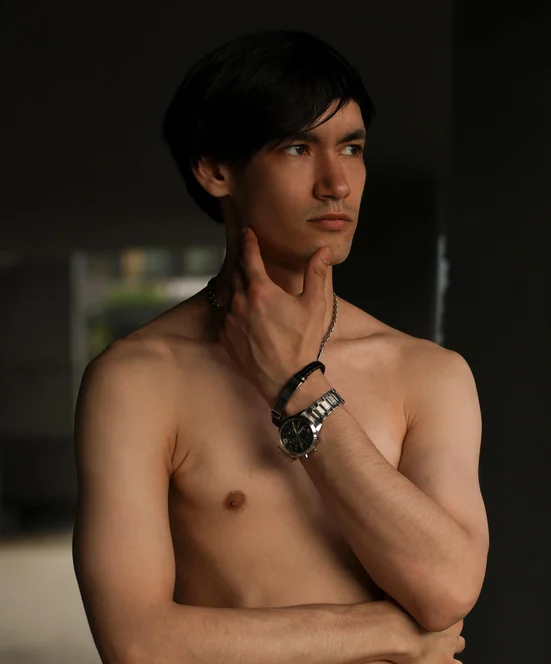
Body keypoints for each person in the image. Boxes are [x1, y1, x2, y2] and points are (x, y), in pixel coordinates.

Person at [72, 30, 488, 664]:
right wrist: (388, 633)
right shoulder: (137, 381)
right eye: (298, 147)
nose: (336, 183)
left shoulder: (428, 374)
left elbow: (449, 590)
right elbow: (138, 645)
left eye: (351, 148)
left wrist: (301, 386)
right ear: (216, 170)